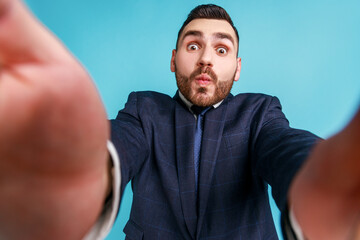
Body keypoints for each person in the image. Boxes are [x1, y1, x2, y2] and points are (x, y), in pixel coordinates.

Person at [0, 1, 359, 240]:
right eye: (193, 46)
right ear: (174, 60)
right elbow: (119, 144)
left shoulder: (260, 113)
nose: (206, 59)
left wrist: (315, 181)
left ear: (236, 69)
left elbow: (285, 146)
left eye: (221, 49)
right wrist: (84, 169)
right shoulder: (143, 110)